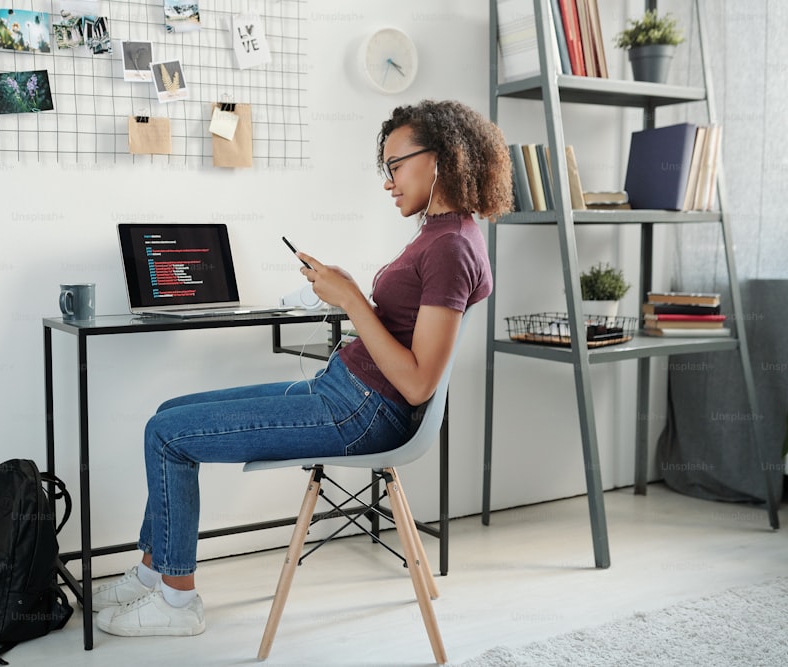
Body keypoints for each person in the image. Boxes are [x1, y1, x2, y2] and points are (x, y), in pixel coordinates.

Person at [92, 99, 513, 638]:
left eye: (395, 164)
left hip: (362, 412)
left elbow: (416, 383)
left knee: (168, 434)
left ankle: (177, 601)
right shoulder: (441, 233)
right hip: (343, 391)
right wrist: (348, 291)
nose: (387, 181)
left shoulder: (451, 246)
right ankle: (153, 573)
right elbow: (404, 333)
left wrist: (352, 301)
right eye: (384, 167)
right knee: (168, 413)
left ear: (442, 159)